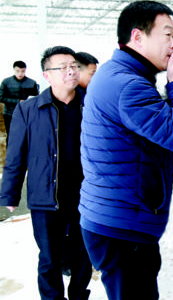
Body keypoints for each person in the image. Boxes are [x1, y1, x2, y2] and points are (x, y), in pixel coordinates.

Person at [78, 0, 173, 300]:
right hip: (122, 225)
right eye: (168, 34)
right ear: (137, 37)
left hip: (115, 218)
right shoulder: (129, 86)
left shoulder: (118, 74)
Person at [0, 46, 92, 300]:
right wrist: (9, 195)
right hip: (45, 197)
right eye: (63, 67)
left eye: (74, 66)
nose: (71, 71)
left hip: (86, 196)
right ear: (46, 75)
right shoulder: (28, 110)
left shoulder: (91, 105)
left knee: (83, 254)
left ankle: (79, 296)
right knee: (49, 258)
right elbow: (15, 157)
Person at [0, 60, 39, 140]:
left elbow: (36, 98)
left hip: (26, 114)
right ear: (14, 70)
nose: (20, 73)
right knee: (11, 136)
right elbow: (1, 98)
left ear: (25, 70)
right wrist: (18, 101)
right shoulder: (6, 82)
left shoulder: (32, 82)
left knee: (25, 137)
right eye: (17, 71)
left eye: (23, 71)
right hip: (9, 113)